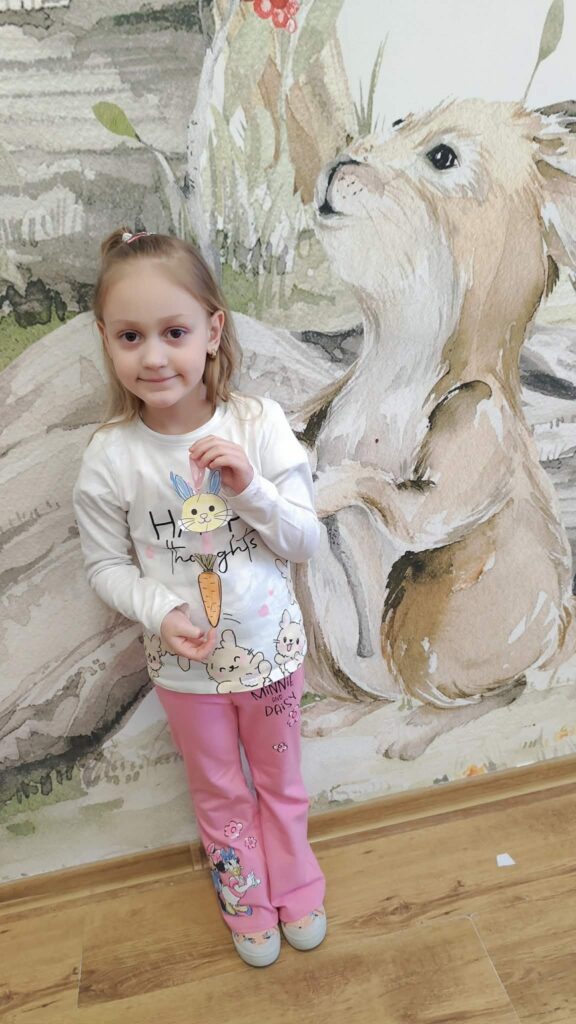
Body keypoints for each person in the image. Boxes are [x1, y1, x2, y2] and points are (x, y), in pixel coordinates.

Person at [72, 228, 326, 968]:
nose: (154, 357)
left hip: (272, 659)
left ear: (213, 331)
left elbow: (306, 540)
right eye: (131, 336)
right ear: (106, 339)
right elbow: (104, 566)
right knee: (219, 793)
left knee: (281, 784)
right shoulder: (111, 456)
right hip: (186, 674)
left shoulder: (257, 424)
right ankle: (246, 901)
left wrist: (251, 490)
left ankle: (298, 887)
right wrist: (161, 611)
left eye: (174, 332)